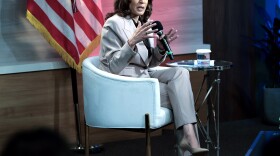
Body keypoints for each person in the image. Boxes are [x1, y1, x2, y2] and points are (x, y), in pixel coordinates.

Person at [99, 0, 209, 155]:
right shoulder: (113, 24)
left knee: (181, 72)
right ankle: (189, 141)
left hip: (145, 77)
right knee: (181, 96)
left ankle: (188, 141)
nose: (141, 1)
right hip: (126, 84)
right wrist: (131, 43)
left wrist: (160, 49)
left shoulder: (145, 23)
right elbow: (111, 68)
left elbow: (148, 63)